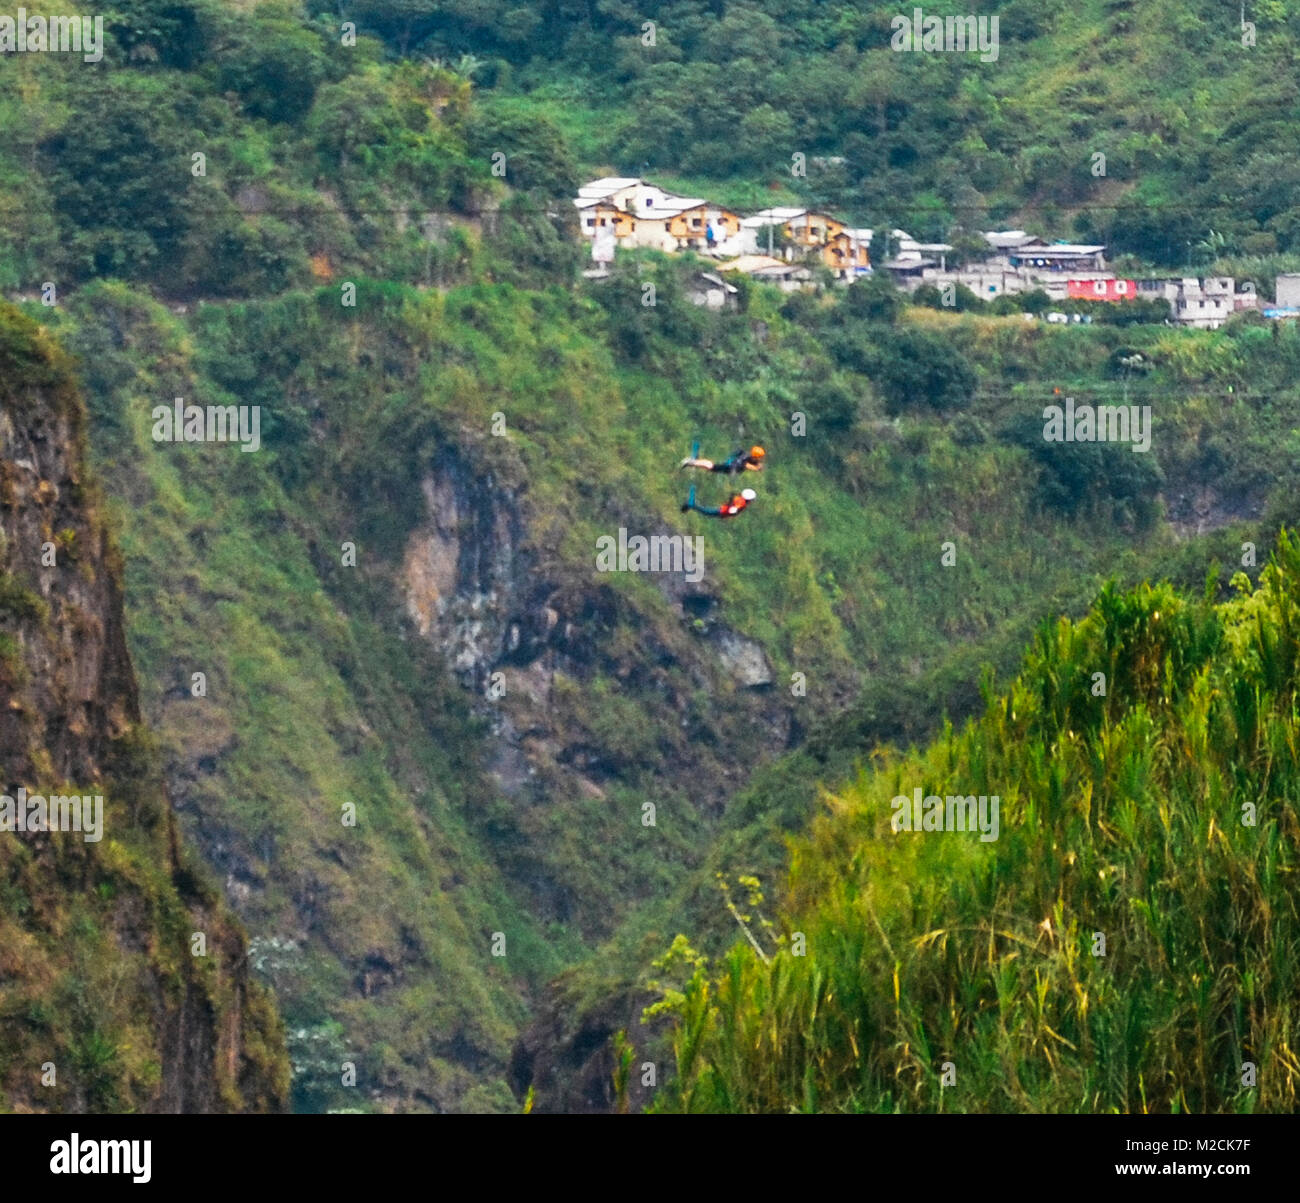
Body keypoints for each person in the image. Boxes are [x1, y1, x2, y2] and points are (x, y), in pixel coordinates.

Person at [680, 444, 765, 474]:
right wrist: (757, 468)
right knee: (711, 466)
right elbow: (747, 465)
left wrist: (758, 466)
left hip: (729, 464)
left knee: (711, 466)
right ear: (755, 456)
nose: (760, 460)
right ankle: (690, 462)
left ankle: (695, 462)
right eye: (759, 458)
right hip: (728, 467)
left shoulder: (747, 455)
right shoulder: (746, 461)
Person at [681, 485, 756, 518]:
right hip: (722, 511)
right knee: (705, 511)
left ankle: (691, 504)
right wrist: (734, 511)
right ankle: (691, 503)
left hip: (722, 510)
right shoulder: (742, 503)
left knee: (706, 512)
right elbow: (733, 509)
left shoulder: (740, 498)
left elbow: (732, 502)